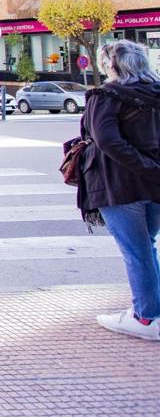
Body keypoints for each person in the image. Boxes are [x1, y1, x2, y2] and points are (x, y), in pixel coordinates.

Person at [82, 40, 160, 340]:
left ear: (111, 65)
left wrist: (146, 167)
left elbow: (107, 141)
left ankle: (145, 317)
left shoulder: (107, 96)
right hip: (155, 185)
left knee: (136, 251)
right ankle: (150, 311)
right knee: (147, 247)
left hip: (121, 184)